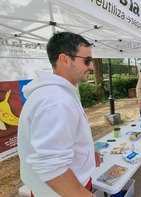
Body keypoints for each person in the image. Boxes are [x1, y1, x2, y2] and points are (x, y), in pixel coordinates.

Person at [18, 32, 101, 197]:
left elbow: (59, 142)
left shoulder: (59, 93)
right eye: (87, 61)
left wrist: (86, 151)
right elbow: (53, 169)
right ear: (64, 59)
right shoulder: (55, 101)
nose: (91, 66)